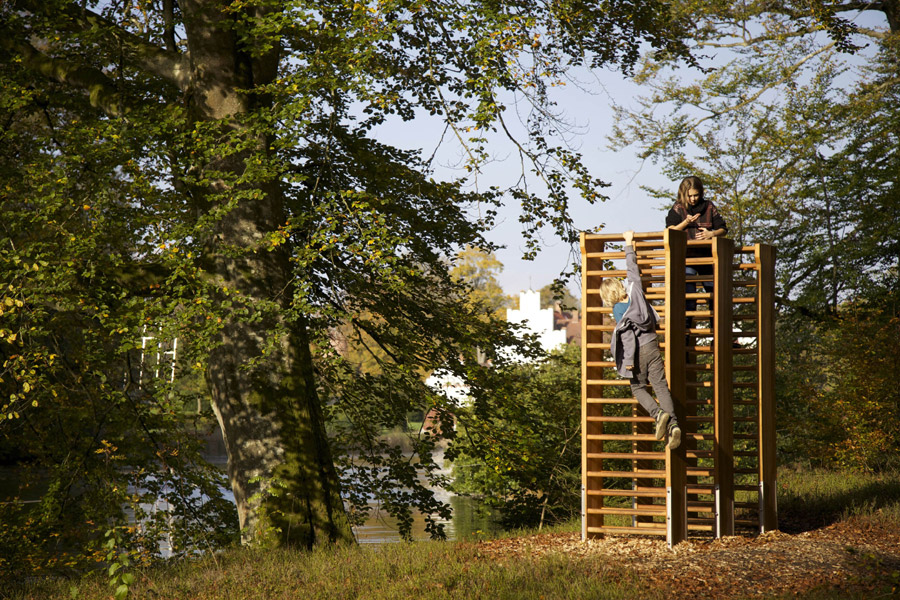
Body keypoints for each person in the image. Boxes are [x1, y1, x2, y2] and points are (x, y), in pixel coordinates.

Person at [600, 230, 681, 450]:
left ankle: (658, 414)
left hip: (636, 352)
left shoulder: (619, 310)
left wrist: (628, 361)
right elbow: (632, 269)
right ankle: (673, 426)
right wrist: (628, 243)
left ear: (608, 297)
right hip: (652, 345)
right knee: (661, 386)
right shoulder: (636, 290)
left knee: (637, 388)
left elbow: (627, 337)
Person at [665, 176, 728, 334]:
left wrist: (711, 234)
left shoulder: (708, 206)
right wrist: (685, 222)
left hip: (707, 258)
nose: (693, 199)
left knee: (714, 295)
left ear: (701, 193)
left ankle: (717, 333)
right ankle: (685, 336)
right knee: (689, 298)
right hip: (687, 259)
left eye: (696, 195)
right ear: (683, 194)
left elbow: (723, 229)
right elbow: (669, 231)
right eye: (690, 195)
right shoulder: (678, 208)